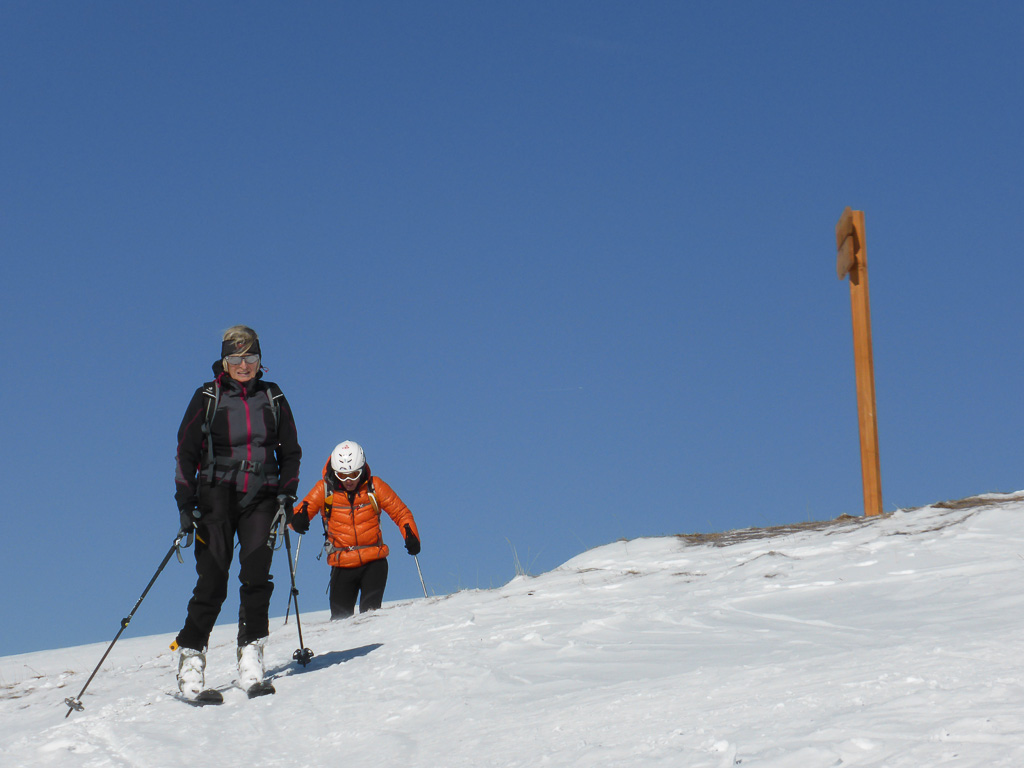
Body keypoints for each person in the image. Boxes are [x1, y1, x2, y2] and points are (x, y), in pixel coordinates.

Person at [171, 325, 302, 697]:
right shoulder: (207, 397)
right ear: (224, 361)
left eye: (251, 357)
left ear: (260, 360)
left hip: (262, 496)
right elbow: (185, 453)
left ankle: (251, 658)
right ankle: (191, 660)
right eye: (236, 358)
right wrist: (186, 504)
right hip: (215, 497)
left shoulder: (273, 396)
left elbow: (291, 451)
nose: (244, 365)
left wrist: (287, 495)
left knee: (257, 575)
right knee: (212, 578)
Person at [291, 440, 420, 619]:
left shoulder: (374, 486)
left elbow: (401, 513)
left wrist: (411, 536)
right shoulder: (324, 489)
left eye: (354, 474)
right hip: (341, 564)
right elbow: (297, 514)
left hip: (374, 561)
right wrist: (298, 520)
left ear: (362, 468)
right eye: (342, 475)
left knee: (370, 616)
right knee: (340, 621)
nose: (348, 480)